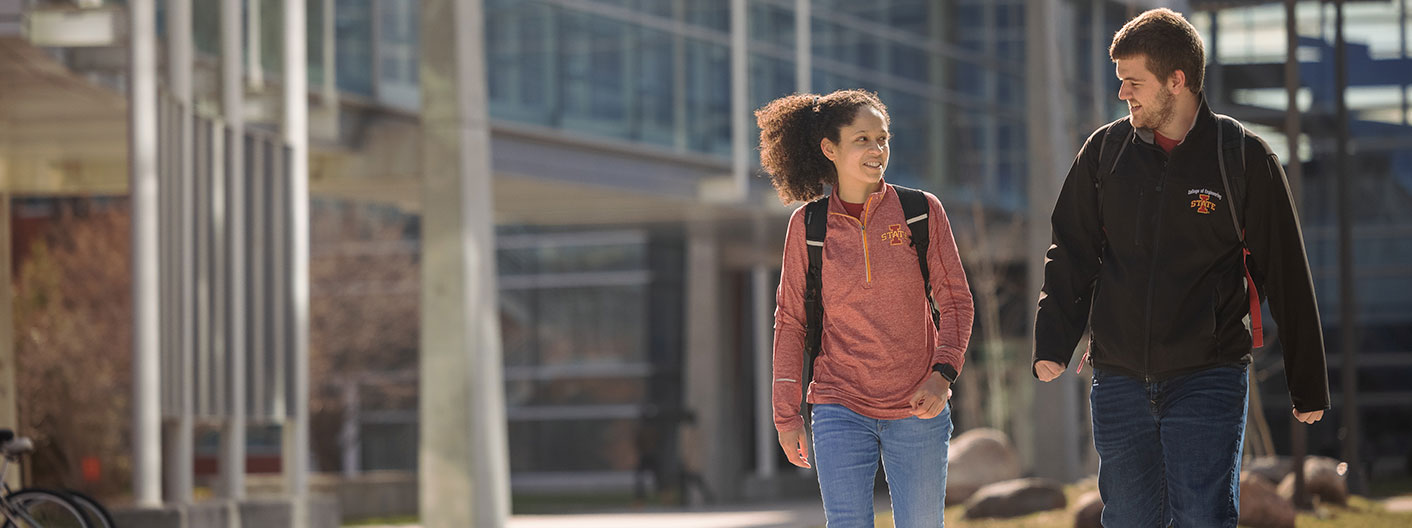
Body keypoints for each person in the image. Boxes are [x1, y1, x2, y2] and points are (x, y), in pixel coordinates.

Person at [1032, 8, 1330, 527]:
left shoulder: (1242, 157)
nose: (1123, 93)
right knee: (1127, 519)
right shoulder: (1105, 153)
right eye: (1120, 81)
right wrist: (1054, 342)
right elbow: (1072, 250)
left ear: (1177, 80)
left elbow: (1285, 270)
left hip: (1208, 374)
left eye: (1134, 81)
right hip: (1119, 376)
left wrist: (1307, 383)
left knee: (1201, 517)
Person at [761, 89, 974, 527]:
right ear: (830, 149)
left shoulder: (920, 212)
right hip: (839, 404)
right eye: (863, 140)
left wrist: (942, 375)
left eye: (883, 138)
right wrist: (786, 415)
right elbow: (790, 322)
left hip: (918, 405)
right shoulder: (807, 226)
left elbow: (955, 302)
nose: (878, 150)